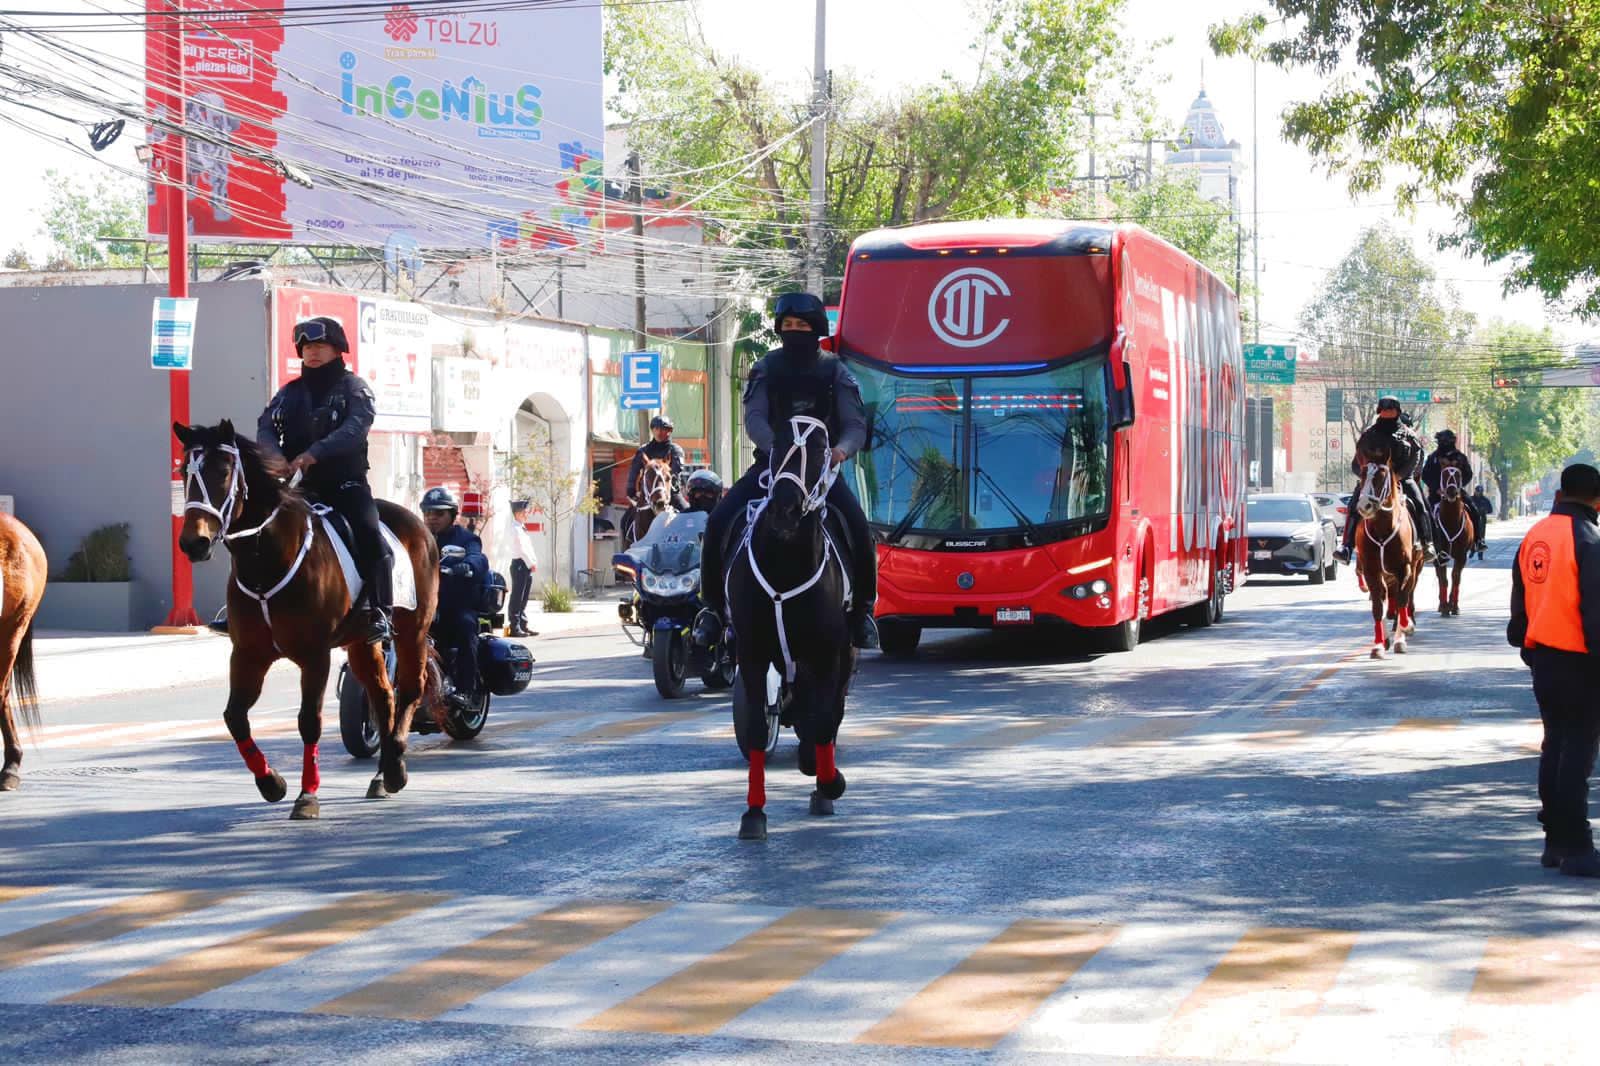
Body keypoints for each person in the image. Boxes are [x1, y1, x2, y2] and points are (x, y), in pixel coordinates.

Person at [692, 292, 880, 650]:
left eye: (802, 325)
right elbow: (756, 418)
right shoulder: (766, 367)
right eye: (788, 325)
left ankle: (862, 613)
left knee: (858, 526)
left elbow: (855, 425)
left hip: (819, 472)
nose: (794, 331)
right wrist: (777, 450)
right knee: (718, 521)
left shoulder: (835, 370)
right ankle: (713, 611)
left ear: (817, 329)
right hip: (771, 467)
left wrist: (840, 451)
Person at [257, 316, 392, 643]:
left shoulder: (355, 388)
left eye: (319, 346)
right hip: (298, 488)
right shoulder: (288, 393)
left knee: (371, 534)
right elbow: (265, 426)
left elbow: (355, 429)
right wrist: (274, 456)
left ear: (337, 349)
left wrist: (314, 452)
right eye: (306, 348)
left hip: (346, 485)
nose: (312, 353)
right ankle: (247, 608)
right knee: (257, 531)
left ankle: (382, 612)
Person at [1508, 463, 1600, 877]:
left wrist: (1530, 647)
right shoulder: (1588, 539)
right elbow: (1595, 612)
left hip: (1543, 657)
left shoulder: (1536, 535)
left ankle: (1555, 843)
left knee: (1554, 746)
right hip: (1581, 661)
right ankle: (1578, 847)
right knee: (1577, 753)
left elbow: (1518, 603)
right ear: (1596, 499)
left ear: (1562, 492)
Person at [1333, 396, 1433, 564]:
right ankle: (1346, 547)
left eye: (1391, 409)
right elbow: (1357, 460)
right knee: (1354, 505)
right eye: (1384, 409)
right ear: (1380, 411)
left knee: (1421, 504)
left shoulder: (1409, 435)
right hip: (1374, 479)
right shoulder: (1369, 434)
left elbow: (1415, 458)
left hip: (1401, 478)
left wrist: (1399, 476)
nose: (1387, 412)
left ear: (1397, 411)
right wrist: (1365, 476)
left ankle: (1427, 543)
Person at [420, 487, 490, 709]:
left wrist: (466, 566)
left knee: (465, 627)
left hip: (455, 605)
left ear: (452, 514)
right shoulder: (418, 537)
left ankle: (466, 690)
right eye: (428, 512)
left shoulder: (466, 538)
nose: (432, 518)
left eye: (438, 513)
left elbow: (478, 559)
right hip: (423, 606)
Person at [1421, 429, 1483, 550]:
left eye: (1447, 441)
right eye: (1442, 441)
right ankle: (1425, 542)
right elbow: (1425, 475)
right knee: (1424, 513)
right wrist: (1436, 489)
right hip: (1437, 493)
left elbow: (1468, 474)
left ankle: (1478, 540)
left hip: (1457, 491)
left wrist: (1459, 486)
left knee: (1474, 510)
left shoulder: (1460, 458)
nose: (1444, 444)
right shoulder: (1433, 457)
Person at [626, 415, 686, 508]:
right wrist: (630, 489)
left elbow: (675, 471)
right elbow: (634, 471)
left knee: (687, 513)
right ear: (652, 430)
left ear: (669, 431)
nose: (659, 432)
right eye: (656, 429)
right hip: (647, 493)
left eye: (663, 429)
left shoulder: (675, 450)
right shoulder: (643, 450)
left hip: (670, 492)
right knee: (625, 520)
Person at [506, 500, 538, 638]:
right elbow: (522, 549)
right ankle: (515, 626)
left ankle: (523, 624)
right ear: (518, 513)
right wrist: (531, 563)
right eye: (525, 512)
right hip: (520, 564)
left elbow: (528, 548)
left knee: (524, 597)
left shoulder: (521, 527)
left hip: (525, 565)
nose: (527, 514)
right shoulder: (515, 529)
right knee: (517, 597)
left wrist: (532, 562)